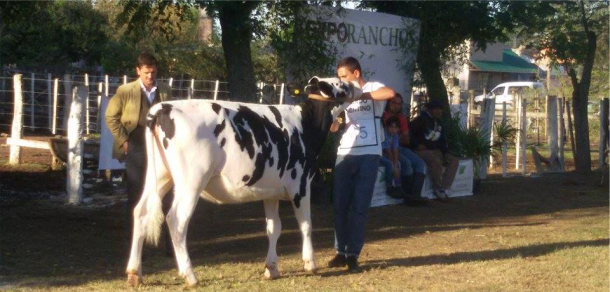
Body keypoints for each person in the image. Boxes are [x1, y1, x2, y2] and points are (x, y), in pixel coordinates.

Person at [328, 57, 395, 271]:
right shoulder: (343, 95)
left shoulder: (373, 87)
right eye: (340, 77)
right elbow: (334, 124)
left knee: (359, 207)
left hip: (369, 153)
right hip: (345, 153)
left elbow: (390, 94)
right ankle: (340, 252)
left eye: (344, 76)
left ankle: (352, 254)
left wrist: (360, 95)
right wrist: (335, 123)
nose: (342, 80)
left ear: (356, 73)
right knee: (339, 205)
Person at [105, 53, 173, 252]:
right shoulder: (126, 91)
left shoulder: (165, 90)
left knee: (167, 192)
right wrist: (123, 139)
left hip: (161, 145)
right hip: (135, 143)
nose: (150, 76)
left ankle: (170, 245)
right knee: (136, 193)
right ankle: (136, 247)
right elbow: (111, 116)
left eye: (153, 72)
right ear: (138, 71)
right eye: (146, 73)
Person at [409, 100, 459, 200]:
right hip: (421, 151)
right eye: (436, 109)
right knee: (434, 161)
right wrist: (417, 144)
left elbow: (442, 140)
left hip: (436, 150)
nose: (439, 111)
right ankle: (437, 188)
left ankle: (445, 187)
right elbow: (409, 133)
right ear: (430, 109)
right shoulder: (420, 120)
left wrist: (445, 153)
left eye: (440, 109)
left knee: (454, 160)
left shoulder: (439, 123)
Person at [381, 94, 427, 203]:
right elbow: (386, 138)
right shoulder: (382, 116)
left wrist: (399, 136)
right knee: (406, 163)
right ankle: (405, 194)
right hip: (386, 149)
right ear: (388, 103)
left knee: (419, 162)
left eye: (399, 104)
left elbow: (406, 138)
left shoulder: (401, 118)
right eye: (393, 103)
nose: (396, 106)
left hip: (399, 146)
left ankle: (415, 195)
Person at [379, 116, 410, 198]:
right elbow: (387, 150)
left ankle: (399, 186)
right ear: (387, 127)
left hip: (387, 153)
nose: (393, 129)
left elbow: (395, 149)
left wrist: (396, 163)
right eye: (391, 127)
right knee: (389, 164)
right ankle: (389, 187)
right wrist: (394, 164)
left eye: (395, 127)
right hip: (379, 153)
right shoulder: (384, 134)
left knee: (400, 163)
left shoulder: (395, 135)